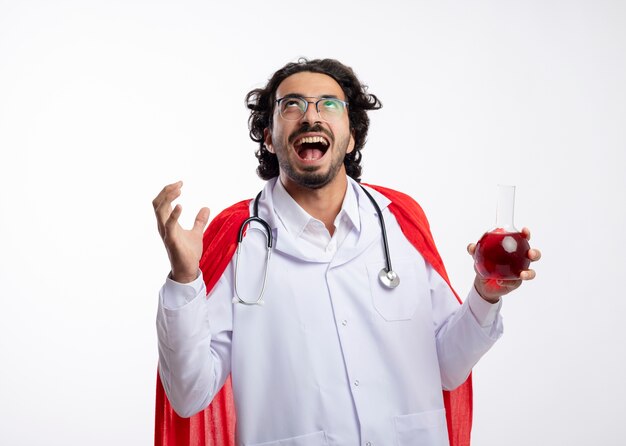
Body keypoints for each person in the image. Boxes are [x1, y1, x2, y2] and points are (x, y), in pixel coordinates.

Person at [152, 58, 540, 446]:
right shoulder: (238, 238)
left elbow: (448, 368)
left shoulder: (400, 221)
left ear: (351, 135)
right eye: (292, 105)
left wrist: (486, 295)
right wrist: (184, 279)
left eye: (329, 104)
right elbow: (189, 396)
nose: (311, 117)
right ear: (268, 136)